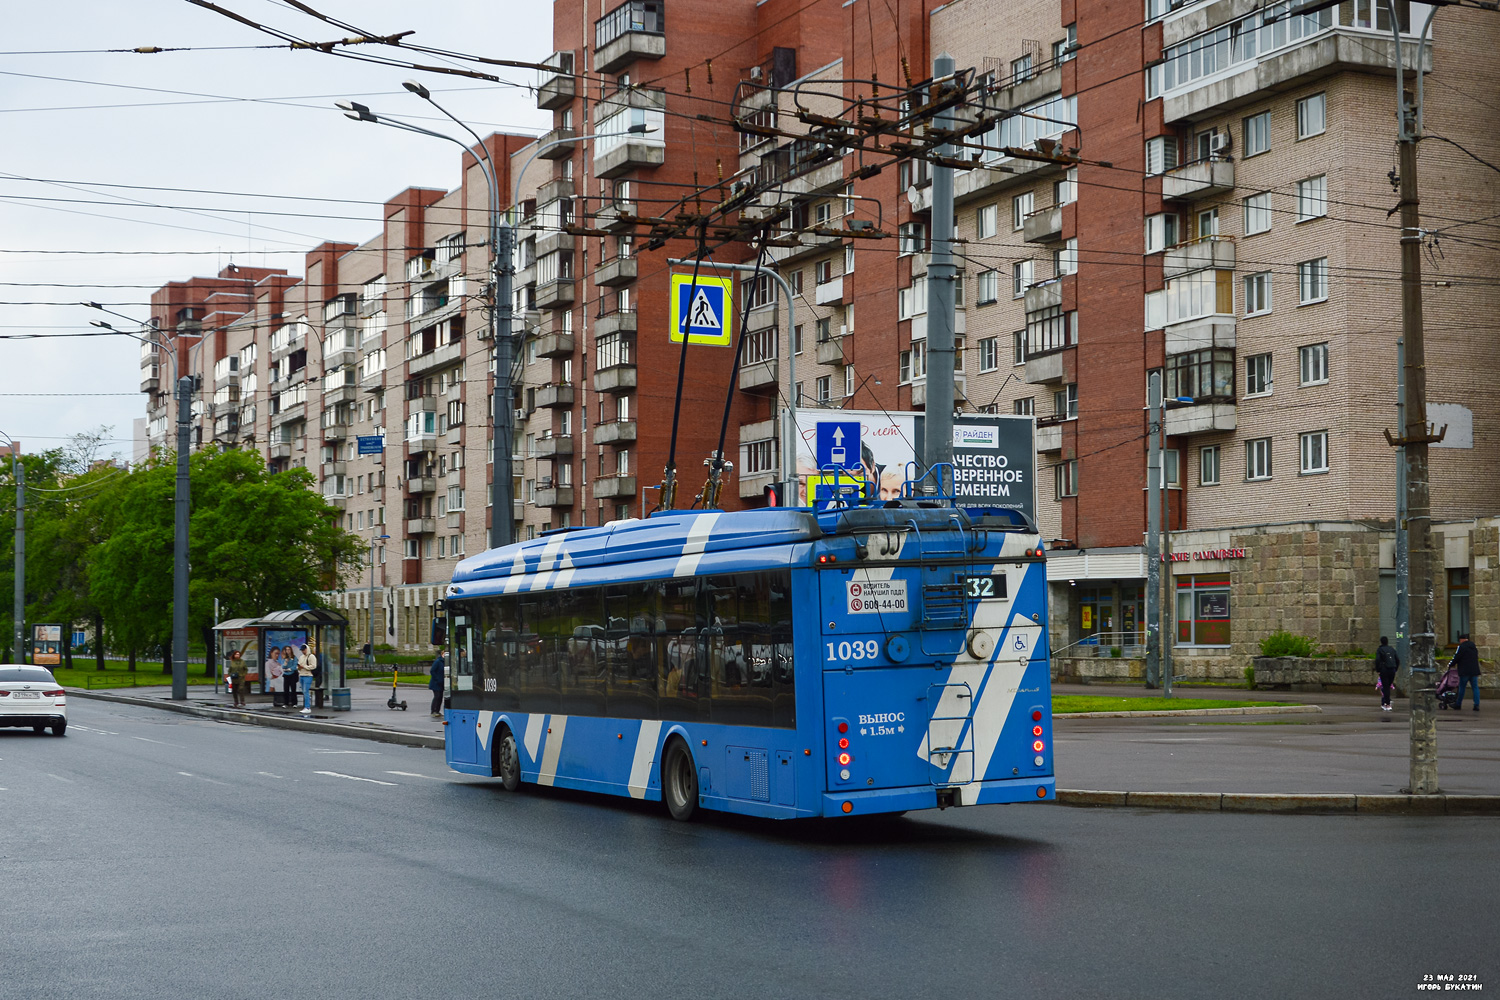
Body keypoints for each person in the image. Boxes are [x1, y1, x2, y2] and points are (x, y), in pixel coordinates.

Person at [1450, 632, 1481, 712]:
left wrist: (1451, 664)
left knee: (1462, 687)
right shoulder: (1473, 647)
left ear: (1461, 640)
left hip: (1464, 671)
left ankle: (1458, 704)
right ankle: (1476, 705)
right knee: (1475, 687)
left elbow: (1457, 657)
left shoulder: (1461, 647)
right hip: (1474, 670)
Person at [1374, 636, 1399, 712]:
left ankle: (1387, 704)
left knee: (1385, 687)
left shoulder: (1380, 650)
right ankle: (1387, 701)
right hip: (1392, 669)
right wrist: (1395, 669)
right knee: (1388, 686)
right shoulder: (1392, 649)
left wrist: (1378, 669)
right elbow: (1397, 660)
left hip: (1384, 669)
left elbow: (1377, 660)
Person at [296, 642, 317, 715]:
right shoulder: (301, 657)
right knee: (304, 691)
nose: (303, 651)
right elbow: (298, 665)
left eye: (304, 650)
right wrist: (298, 667)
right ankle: (306, 705)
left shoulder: (311, 656)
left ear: (307, 649)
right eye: (302, 650)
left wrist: (304, 667)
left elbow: (314, 666)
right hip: (301, 674)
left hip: (308, 675)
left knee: (306, 691)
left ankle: (307, 707)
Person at [429, 648, 446, 718]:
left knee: (440, 697)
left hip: (441, 683)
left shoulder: (444, 662)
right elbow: (432, 671)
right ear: (442, 654)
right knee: (437, 696)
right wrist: (437, 679)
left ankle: (437, 711)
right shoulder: (438, 661)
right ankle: (433, 711)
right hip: (436, 683)